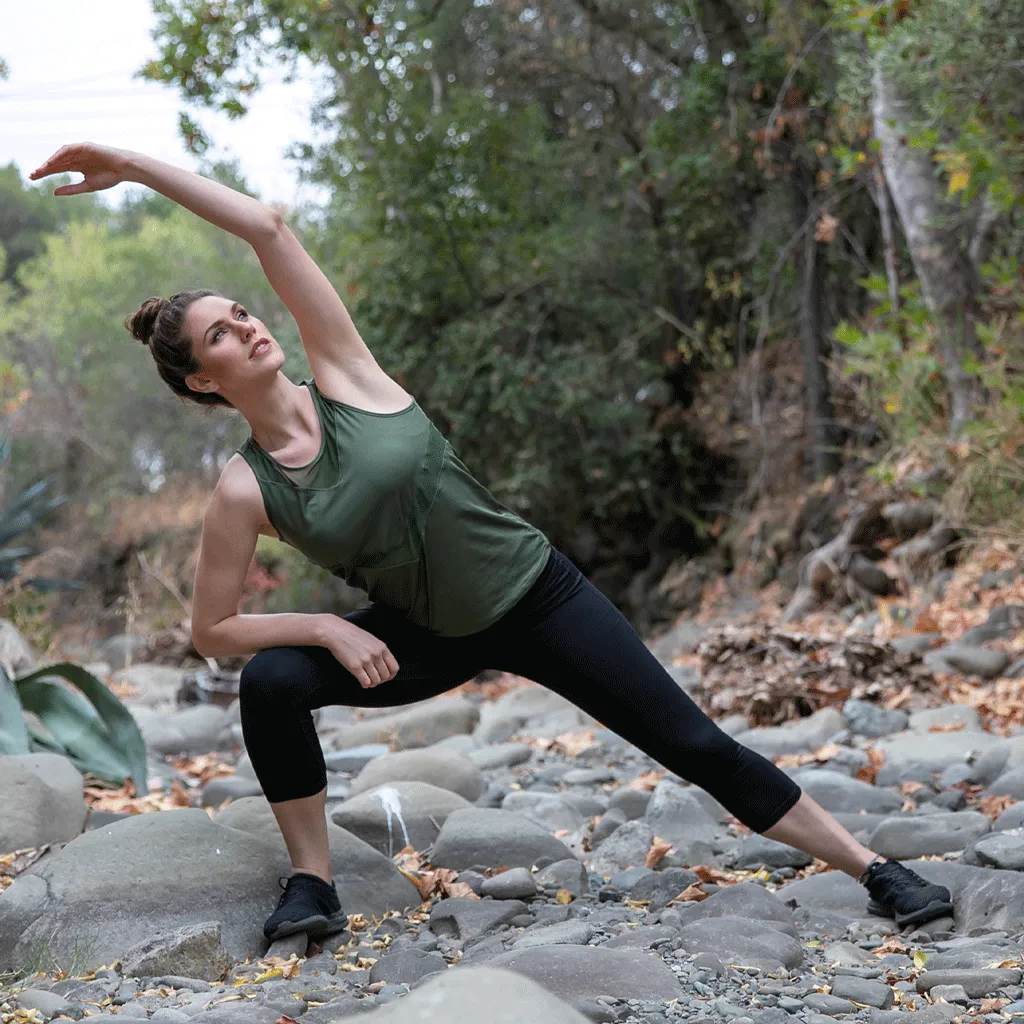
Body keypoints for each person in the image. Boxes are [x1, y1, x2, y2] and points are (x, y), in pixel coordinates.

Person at [31, 143, 953, 941]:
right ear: (199, 382)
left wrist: (135, 167)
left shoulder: (347, 372)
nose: (247, 327)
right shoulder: (243, 489)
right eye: (219, 336)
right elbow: (213, 631)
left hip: (537, 596)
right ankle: (312, 880)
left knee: (696, 746)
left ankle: (871, 868)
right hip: (424, 636)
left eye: (242, 314)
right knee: (272, 681)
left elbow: (269, 230)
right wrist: (323, 628)